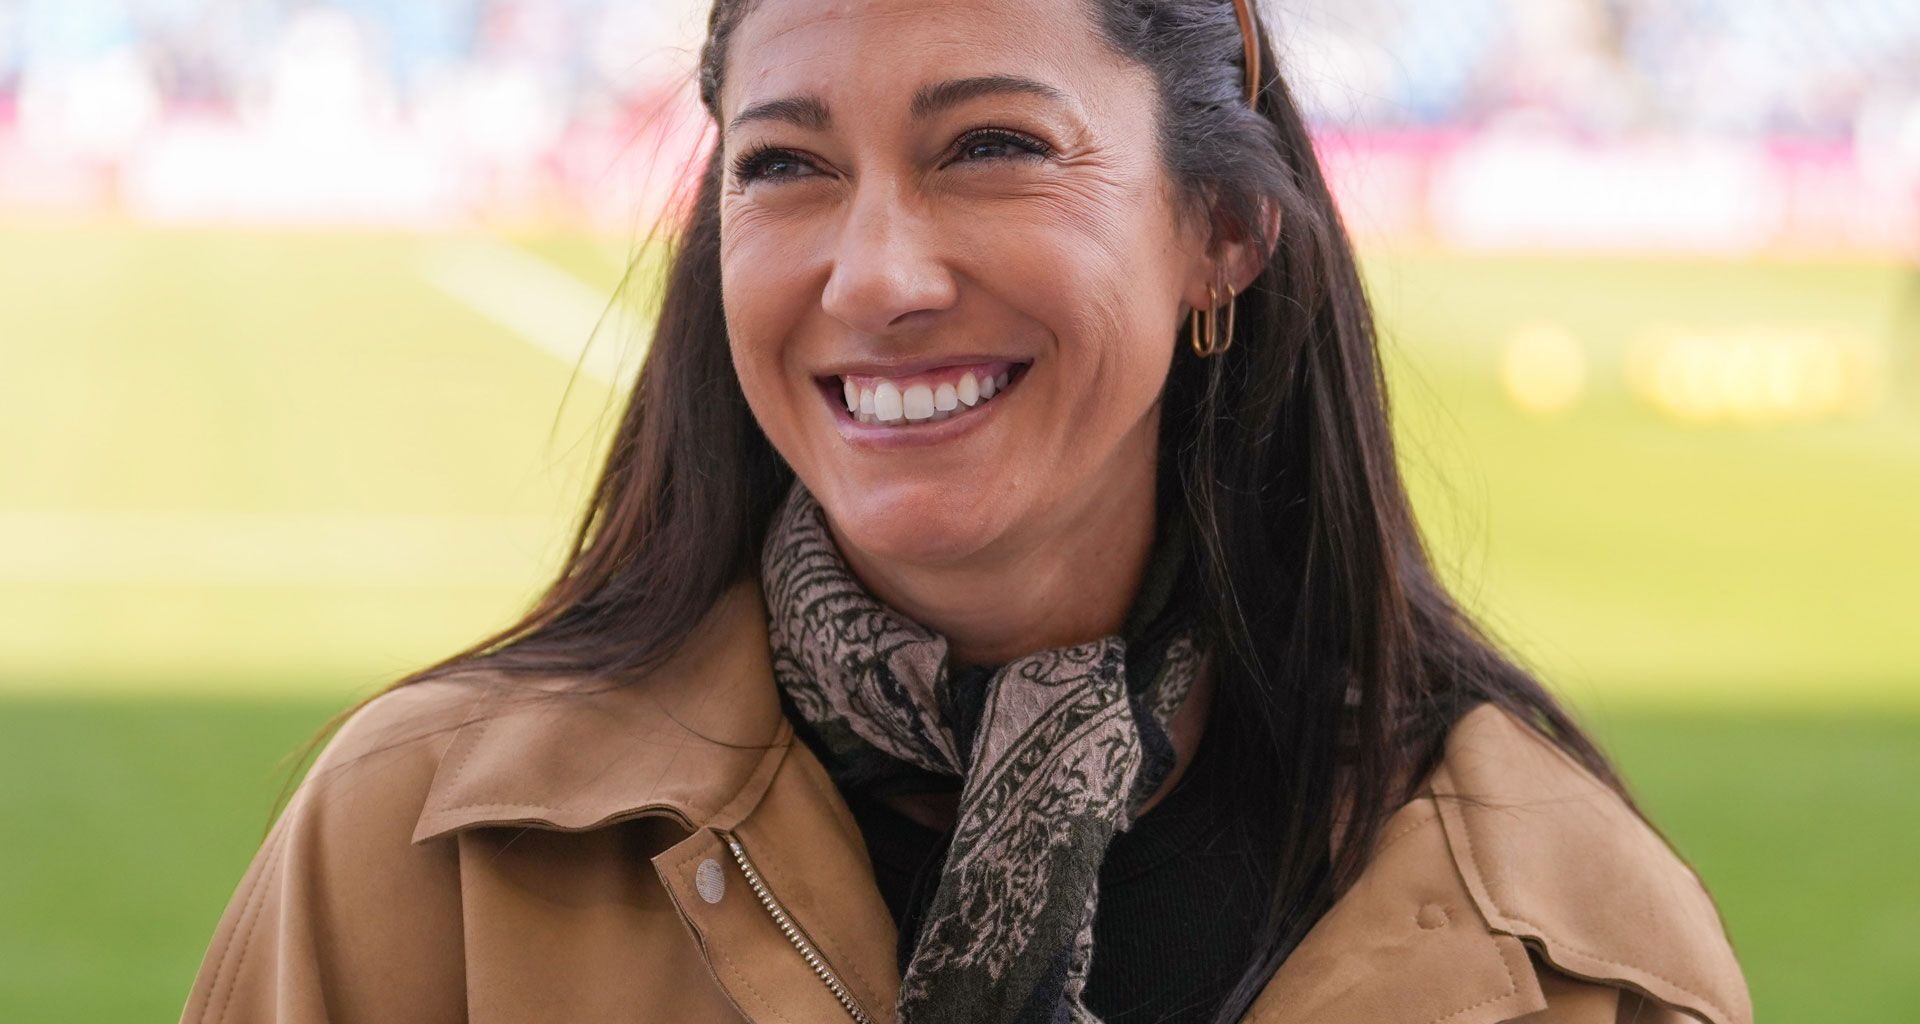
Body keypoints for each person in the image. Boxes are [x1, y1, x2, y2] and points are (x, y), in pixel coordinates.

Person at [179, 1, 1750, 1022]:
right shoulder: (423, 851)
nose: (873, 276)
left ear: (1225, 232)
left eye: (991, 147)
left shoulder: (1573, 947)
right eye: (785, 164)